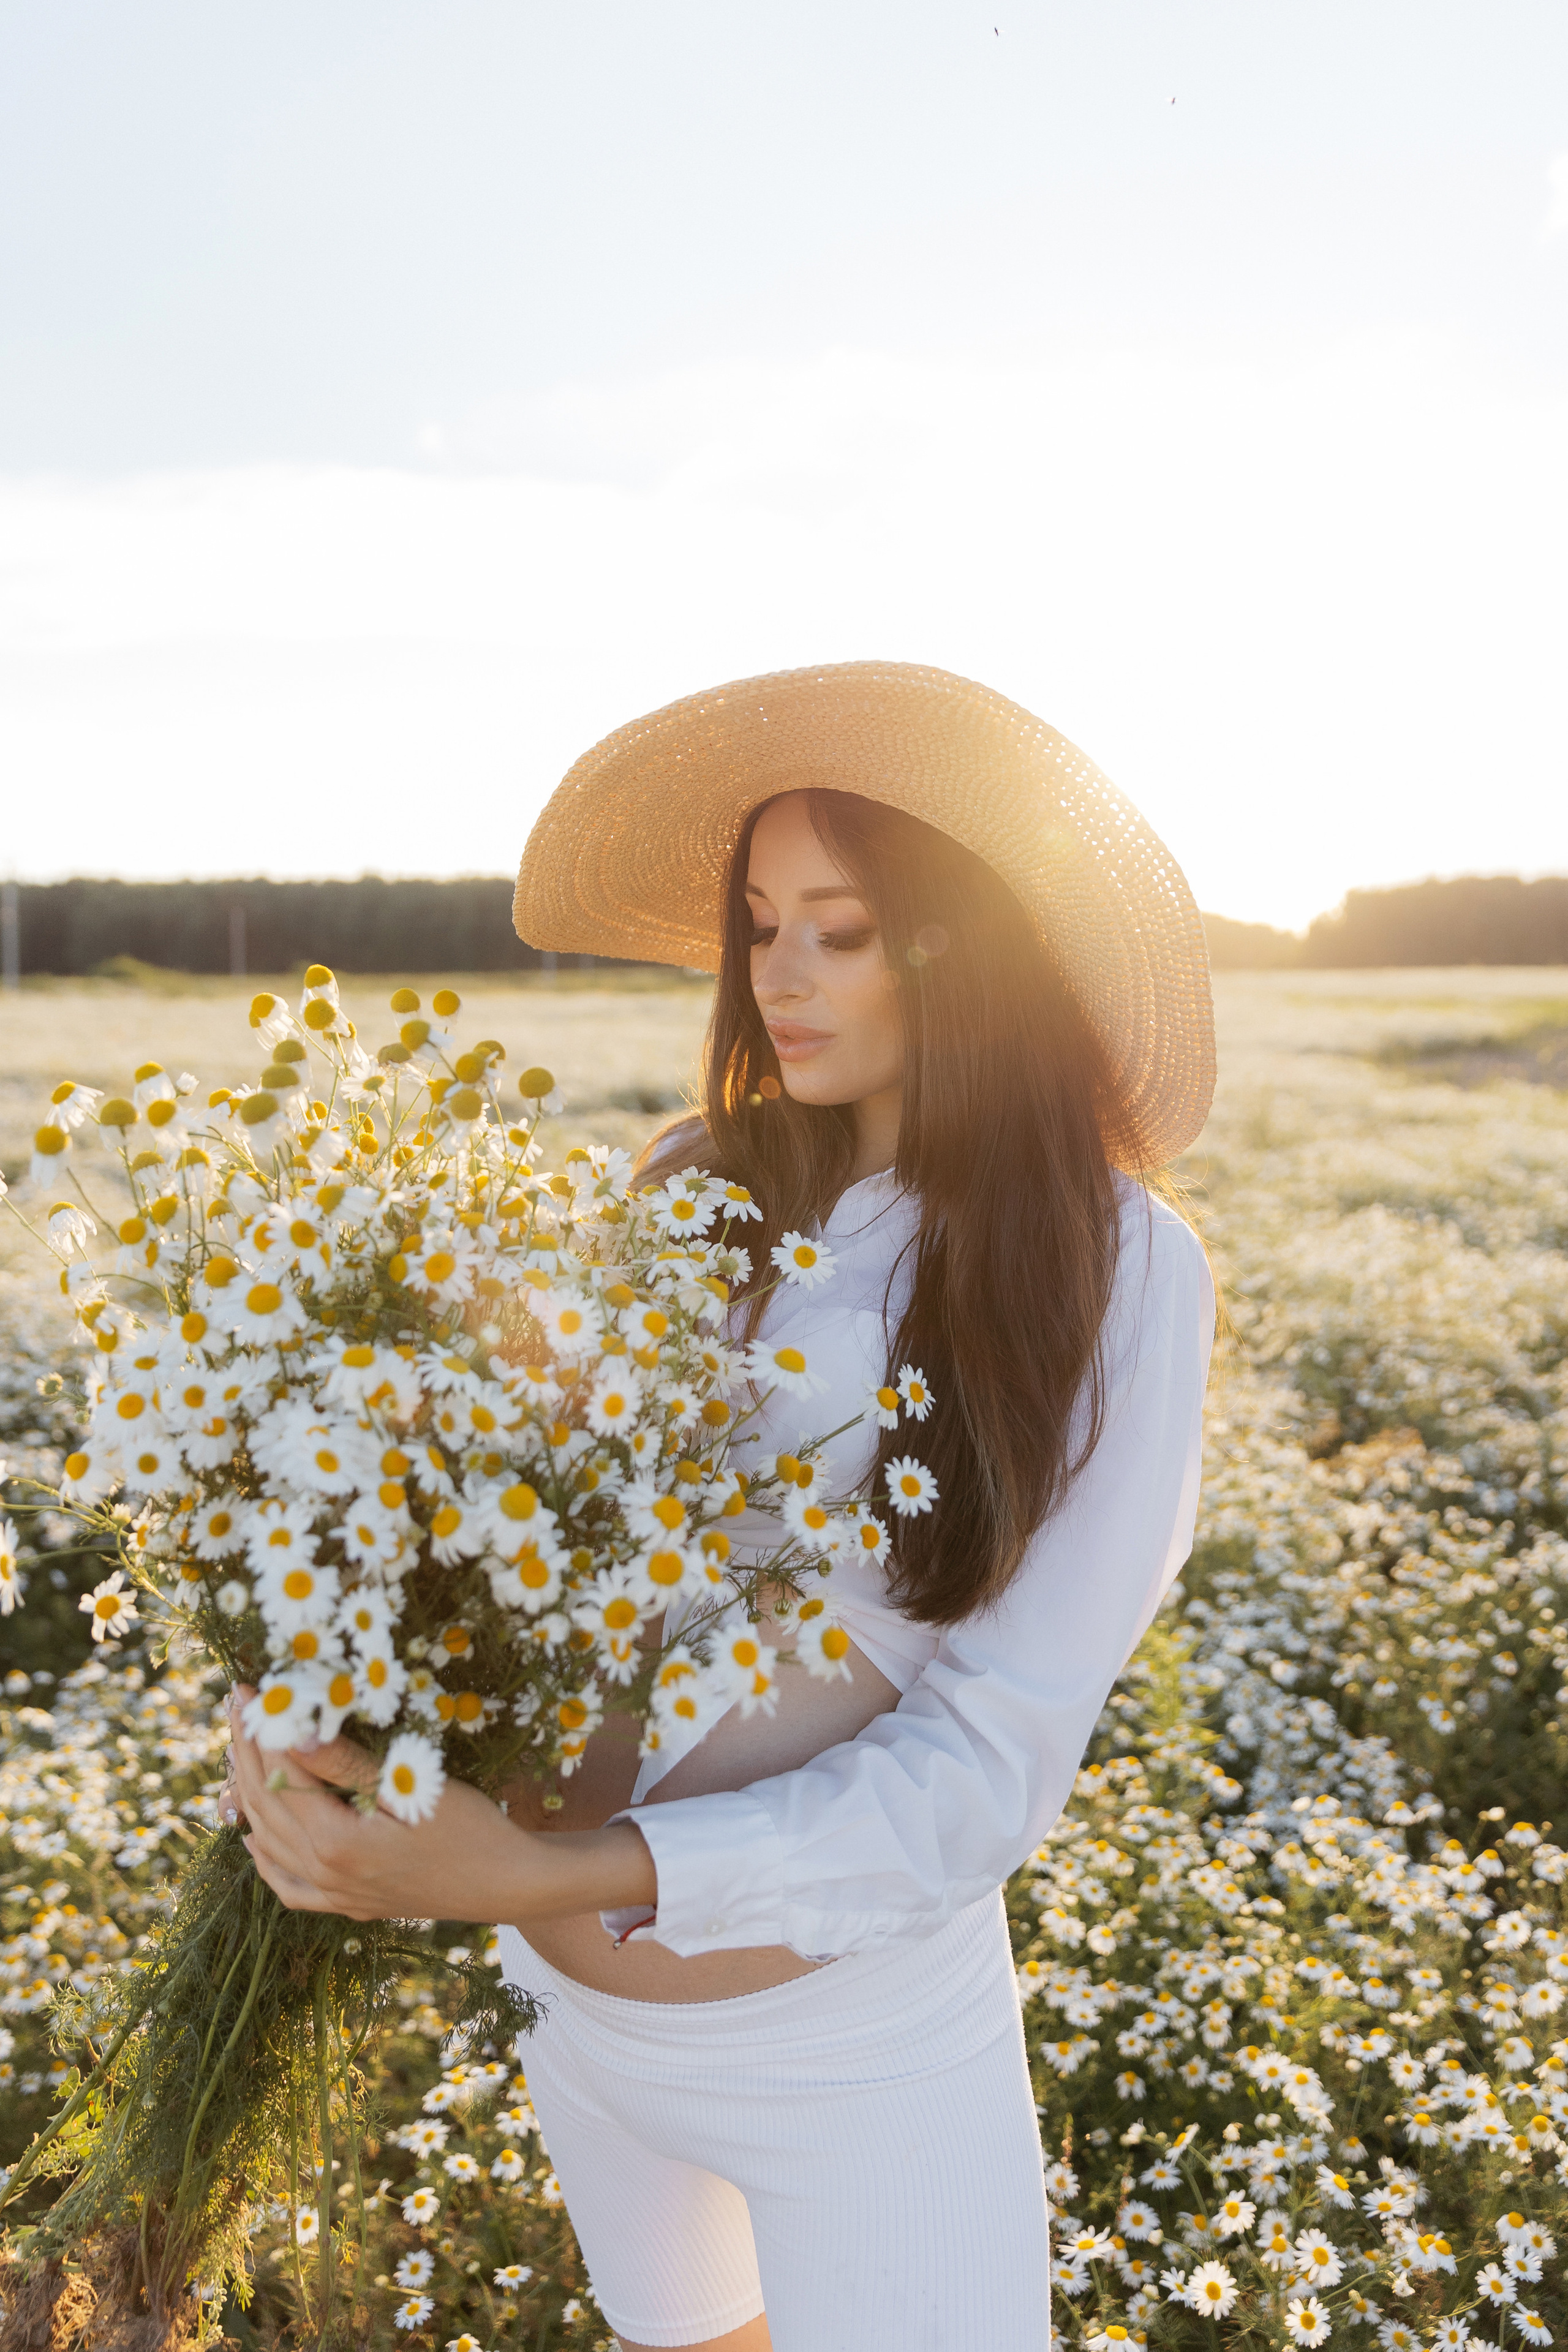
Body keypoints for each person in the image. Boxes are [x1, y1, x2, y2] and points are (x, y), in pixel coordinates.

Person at [225, 662, 1218, 2352]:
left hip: (853, 2053)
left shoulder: (1116, 1265)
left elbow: (988, 1767)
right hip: (576, 2027)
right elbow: (503, 1543)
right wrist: (321, 1677)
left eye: (841, 929)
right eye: (760, 926)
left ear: (966, 946)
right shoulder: (695, 1182)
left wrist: (545, 1866)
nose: (777, 976)